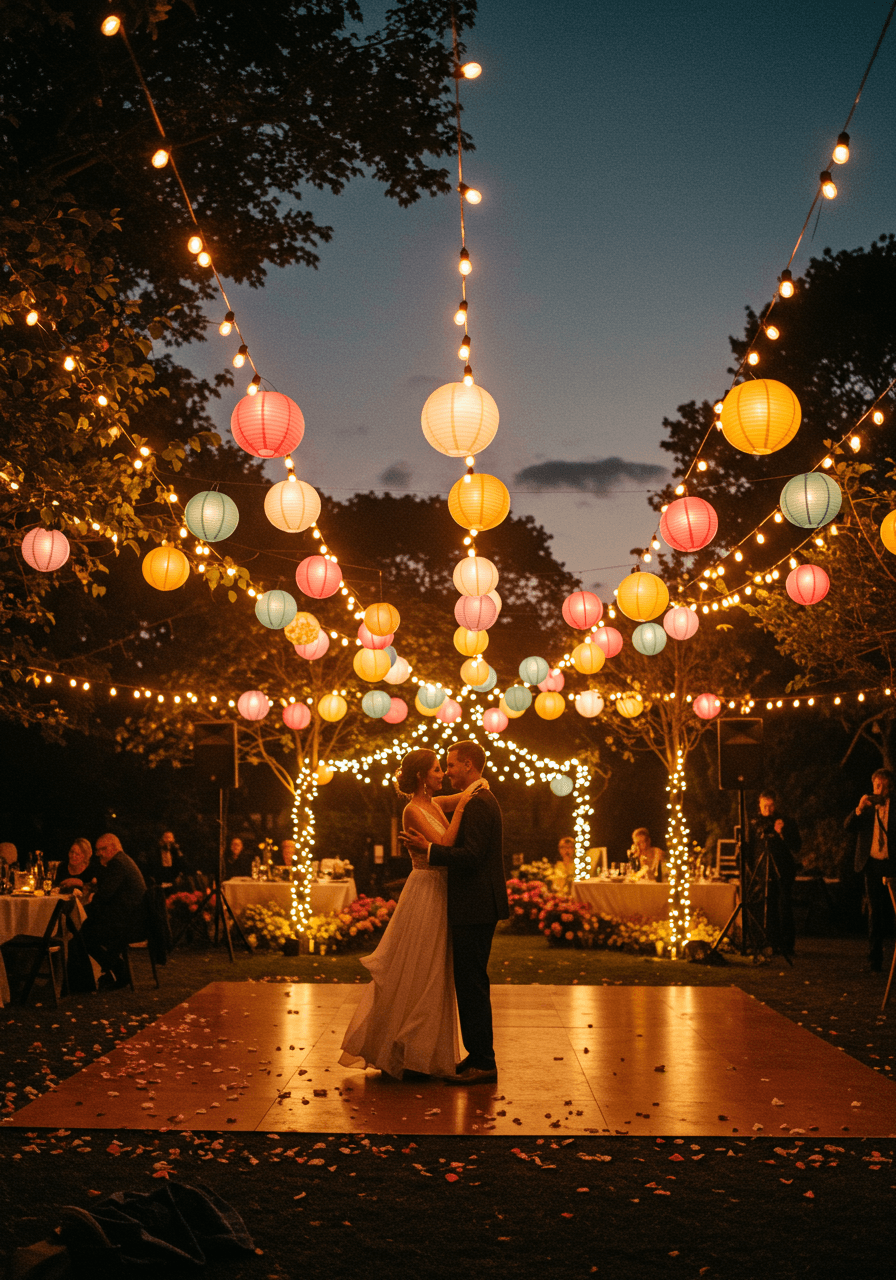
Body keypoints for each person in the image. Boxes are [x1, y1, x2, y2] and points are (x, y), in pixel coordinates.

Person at [340, 747, 486, 1080]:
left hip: (441, 891)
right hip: (426, 891)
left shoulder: (432, 803)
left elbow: (463, 793)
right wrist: (463, 806)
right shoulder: (412, 810)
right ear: (422, 776)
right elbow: (446, 845)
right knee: (420, 967)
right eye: (437, 769)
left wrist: (475, 788)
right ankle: (402, 1047)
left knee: (433, 968)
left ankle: (420, 1048)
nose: (443, 774)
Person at [400, 740, 509, 1085]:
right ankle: (477, 1055)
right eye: (441, 766)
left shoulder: (477, 803)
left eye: (451, 765)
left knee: (472, 985)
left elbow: (472, 856)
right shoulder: (474, 797)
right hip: (474, 904)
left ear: (470, 765)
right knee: (468, 983)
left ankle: (483, 1061)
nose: (447, 772)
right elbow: (433, 805)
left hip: (475, 906)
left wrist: (429, 851)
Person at [79, 833, 147, 989]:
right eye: (97, 851)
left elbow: (104, 896)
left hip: (128, 923)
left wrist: (84, 909)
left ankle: (118, 971)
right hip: (133, 918)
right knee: (86, 928)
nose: (99, 854)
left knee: (82, 933)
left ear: (113, 848)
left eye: (101, 849)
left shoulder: (118, 864)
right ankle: (113, 970)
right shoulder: (123, 861)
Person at [845, 768, 894, 973]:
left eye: (881, 785)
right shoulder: (866, 808)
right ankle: (875, 959)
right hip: (872, 864)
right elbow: (848, 826)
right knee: (875, 911)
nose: (877, 788)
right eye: (875, 784)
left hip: (890, 864)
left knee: (892, 908)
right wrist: (858, 808)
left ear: (888, 787)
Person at [754, 790, 802, 956]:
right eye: (764, 806)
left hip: (783, 870)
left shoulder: (786, 821)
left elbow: (796, 846)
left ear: (775, 805)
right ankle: (770, 942)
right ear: (759, 806)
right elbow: (751, 848)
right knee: (768, 905)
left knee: (784, 906)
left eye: (771, 805)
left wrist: (782, 833)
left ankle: (787, 945)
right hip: (763, 870)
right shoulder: (755, 824)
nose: (768, 810)